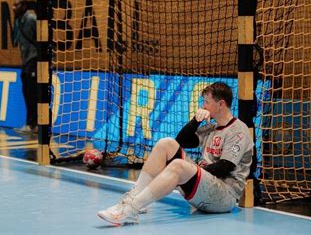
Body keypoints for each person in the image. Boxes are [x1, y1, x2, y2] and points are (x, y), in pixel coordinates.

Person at [97, 82, 254, 225]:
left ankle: (131, 210)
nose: (203, 106)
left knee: (178, 166)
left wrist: (190, 173)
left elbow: (225, 167)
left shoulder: (238, 130)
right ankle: (132, 198)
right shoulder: (211, 128)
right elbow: (180, 141)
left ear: (221, 104)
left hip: (223, 197)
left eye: (206, 102)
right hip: (204, 189)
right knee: (165, 143)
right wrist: (195, 120)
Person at [12, 0, 38, 135]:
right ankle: (31, 123)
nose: (13, 8)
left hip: (35, 60)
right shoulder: (18, 20)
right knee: (27, 92)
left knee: (32, 92)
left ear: (24, 6)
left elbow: (43, 38)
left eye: (16, 5)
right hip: (26, 61)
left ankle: (33, 124)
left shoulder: (32, 18)